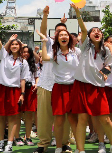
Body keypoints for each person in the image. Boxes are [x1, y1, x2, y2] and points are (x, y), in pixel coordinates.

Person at [67, 3, 112, 153]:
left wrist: (105, 72)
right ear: (89, 36)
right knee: (82, 119)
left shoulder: (106, 51)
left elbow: (110, 65)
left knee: (105, 119)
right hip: (81, 86)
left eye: (99, 31)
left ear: (102, 36)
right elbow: (83, 29)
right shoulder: (84, 47)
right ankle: (80, 150)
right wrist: (78, 13)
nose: (96, 32)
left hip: (98, 88)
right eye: (93, 31)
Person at [33, 8, 71, 153]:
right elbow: (43, 30)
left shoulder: (72, 48)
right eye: (58, 32)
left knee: (64, 117)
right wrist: (45, 15)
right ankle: (43, 144)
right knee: (44, 117)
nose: (61, 34)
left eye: (64, 32)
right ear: (54, 34)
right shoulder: (48, 43)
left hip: (63, 85)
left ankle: (64, 143)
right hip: (46, 84)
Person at [0, 23, 29, 153]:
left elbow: (23, 79)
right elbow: (0, 45)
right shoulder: (4, 57)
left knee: (12, 118)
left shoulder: (24, 62)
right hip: (1, 89)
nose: (14, 46)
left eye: (17, 44)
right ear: (9, 46)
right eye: (12, 44)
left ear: (20, 47)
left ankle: (9, 144)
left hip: (14, 90)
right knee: (0, 117)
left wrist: (22, 93)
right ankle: (0, 143)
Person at [40, 25, 78, 153]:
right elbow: (44, 58)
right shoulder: (54, 53)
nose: (63, 37)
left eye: (65, 35)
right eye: (60, 35)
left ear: (69, 38)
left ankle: (79, 147)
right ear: (57, 38)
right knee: (59, 119)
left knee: (73, 119)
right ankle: (58, 147)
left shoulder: (76, 52)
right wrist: (44, 43)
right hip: (58, 88)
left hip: (73, 88)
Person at [20, 45, 38, 146]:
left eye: (27, 52)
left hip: (30, 89)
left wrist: (36, 84)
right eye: (23, 52)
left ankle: (28, 136)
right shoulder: (16, 62)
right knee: (17, 114)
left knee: (29, 114)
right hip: (18, 88)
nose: (25, 54)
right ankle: (16, 137)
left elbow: (36, 76)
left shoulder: (33, 64)